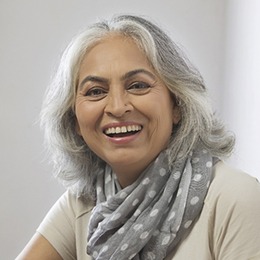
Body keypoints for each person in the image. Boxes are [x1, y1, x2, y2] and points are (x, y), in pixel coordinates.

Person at [16, 15, 260, 260]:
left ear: (177, 104)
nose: (118, 107)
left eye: (138, 86)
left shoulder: (233, 197)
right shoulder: (85, 201)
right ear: (74, 120)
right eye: (96, 91)